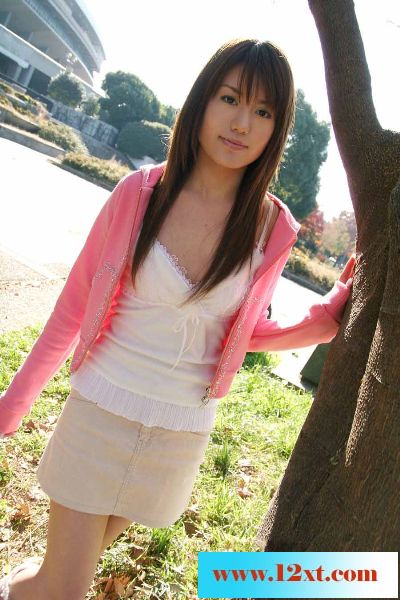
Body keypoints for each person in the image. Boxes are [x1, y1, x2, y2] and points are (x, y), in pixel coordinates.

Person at [0, 38, 355, 600]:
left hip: (180, 430)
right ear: (202, 101)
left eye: (263, 111)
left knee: (58, 579)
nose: (241, 123)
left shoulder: (272, 229)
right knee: (67, 588)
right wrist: (13, 403)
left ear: (277, 128)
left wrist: (324, 317)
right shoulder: (140, 194)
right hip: (101, 408)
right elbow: (74, 306)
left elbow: (239, 334)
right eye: (229, 98)